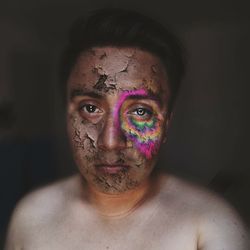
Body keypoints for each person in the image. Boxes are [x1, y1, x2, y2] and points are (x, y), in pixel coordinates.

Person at [5, 8, 248, 250]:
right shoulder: (31, 217)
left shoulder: (210, 228)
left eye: (141, 111)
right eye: (90, 108)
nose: (110, 141)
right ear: (67, 116)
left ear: (165, 124)